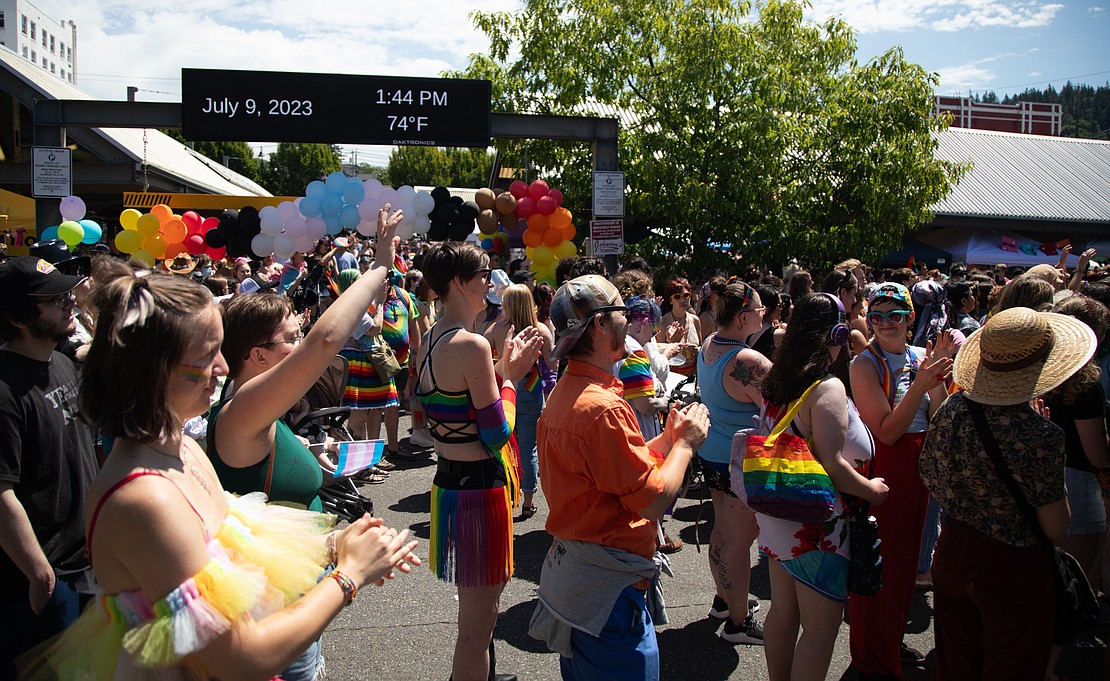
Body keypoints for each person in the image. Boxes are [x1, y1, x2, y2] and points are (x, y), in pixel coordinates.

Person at [18, 258, 419, 680]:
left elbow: (234, 547)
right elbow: (239, 658)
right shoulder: (145, 498)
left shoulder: (183, 448)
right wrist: (349, 576)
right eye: (209, 355)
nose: (223, 369)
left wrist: (334, 543)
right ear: (156, 368)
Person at [529, 274, 711, 680]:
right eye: (622, 312)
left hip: (580, 579)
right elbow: (651, 500)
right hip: (607, 593)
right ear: (599, 324)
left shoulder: (568, 393)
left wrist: (665, 439)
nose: (629, 321)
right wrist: (686, 445)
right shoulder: (603, 407)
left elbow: (612, 472)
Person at [919, 306, 1094, 681]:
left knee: (955, 665)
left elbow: (929, 474)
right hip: (1011, 566)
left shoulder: (953, 409)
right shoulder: (1042, 436)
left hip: (952, 550)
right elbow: (1055, 526)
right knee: (1011, 667)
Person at [413, 241, 543, 681]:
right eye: (483, 275)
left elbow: (442, 414)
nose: (489, 281)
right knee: (477, 625)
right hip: (480, 490)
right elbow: (496, 434)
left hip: (450, 483)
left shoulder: (432, 337)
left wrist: (501, 369)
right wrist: (509, 378)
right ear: (458, 283)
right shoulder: (469, 345)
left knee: (476, 615)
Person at [758, 293, 889, 681]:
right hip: (818, 524)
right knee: (819, 629)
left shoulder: (778, 381)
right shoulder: (826, 387)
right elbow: (832, 463)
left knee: (782, 614)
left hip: (779, 513)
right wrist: (871, 490)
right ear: (837, 333)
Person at [848, 282, 957, 680]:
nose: (884, 324)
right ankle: (871, 657)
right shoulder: (864, 364)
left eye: (895, 315)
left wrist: (938, 378)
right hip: (886, 466)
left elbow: (940, 415)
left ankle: (890, 641)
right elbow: (887, 431)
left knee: (909, 562)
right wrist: (925, 384)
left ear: (911, 319)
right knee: (881, 564)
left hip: (920, 464)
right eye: (876, 316)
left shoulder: (920, 357)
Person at [0, 258, 99, 677]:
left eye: (66, 293)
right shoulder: (4, 389)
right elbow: (2, 494)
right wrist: (41, 577)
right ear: (19, 317)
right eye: (53, 299)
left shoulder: (59, 362)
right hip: (43, 581)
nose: (67, 302)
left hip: (87, 566)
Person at [696, 280, 771, 644]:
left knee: (724, 531)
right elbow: (780, 405)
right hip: (738, 462)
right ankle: (738, 623)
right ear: (742, 318)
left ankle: (726, 601)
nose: (764, 314)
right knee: (740, 541)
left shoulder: (710, 344)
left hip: (714, 454)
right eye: (759, 310)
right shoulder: (746, 360)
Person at [498, 284, 556, 521]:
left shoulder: (497, 328)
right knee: (529, 446)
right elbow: (553, 364)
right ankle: (528, 502)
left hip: (506, 387)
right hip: (532, 389)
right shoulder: (540, 329)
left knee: (505, 442)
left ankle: (510, 492)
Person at [657, 276, 701, 375]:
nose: (683, 300)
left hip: (693, 375)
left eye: (686, 295)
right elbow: (658, 355)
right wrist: (671, 343)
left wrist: (698, 350)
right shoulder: (663, 323)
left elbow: (701, 347)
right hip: (672, 375)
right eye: (677, 297)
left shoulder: (695, 320)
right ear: (671, 300)